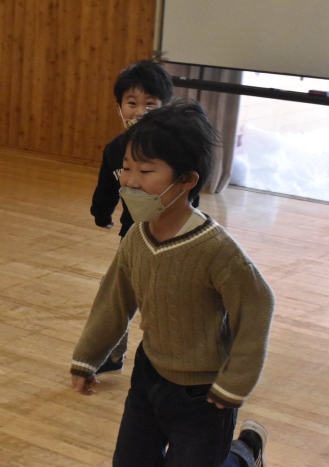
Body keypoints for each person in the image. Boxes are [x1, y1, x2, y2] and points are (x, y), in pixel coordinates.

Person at [71, 100, 275, 466]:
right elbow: (114, 300)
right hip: (149, 377)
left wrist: (235, 383)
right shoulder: (136, 238)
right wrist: (88, 358)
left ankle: (245, 452)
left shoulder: (216, 250)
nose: (131, 180)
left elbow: (258, 306)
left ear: (187, 180)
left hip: (205, 395)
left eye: (146, 171)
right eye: (127, 168)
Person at [90, 60, 200, 374]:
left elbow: (192, 192)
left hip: (176, 237)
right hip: (134, 234)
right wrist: (101, 213)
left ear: (166, 108)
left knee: (170, 298)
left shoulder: (177, 150)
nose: (140, 112)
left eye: (150, 104)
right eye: (132, 103)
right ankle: (112, 354)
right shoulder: (115, 149)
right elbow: (107, 186)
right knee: (115, 294)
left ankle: (180, 359)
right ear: (119, 108)